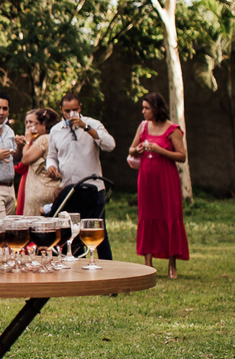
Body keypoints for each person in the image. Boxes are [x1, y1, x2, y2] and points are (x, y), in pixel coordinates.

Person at [46, 92, 116, 259]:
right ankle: (74, 264)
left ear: (80, 108)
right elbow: (51, 155)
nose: (71, 115)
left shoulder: (92, 124)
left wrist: (86, 127)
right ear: (61, 110)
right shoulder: (56, 130)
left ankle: (107, 265)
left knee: (96, 230)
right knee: (70, 232)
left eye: (75, 110)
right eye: (67, 111)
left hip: (93, 188)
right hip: (69, 189)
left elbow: (110, 145)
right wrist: (51, 166)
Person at [129, 92, 188, 278]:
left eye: (147, 108)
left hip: (166, 178)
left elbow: (182, 156)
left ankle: (172, 264)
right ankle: (148, 262)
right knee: (147, 215)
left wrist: (160, 150)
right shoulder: (143, 126)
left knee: (169, 214)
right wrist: (137, 150)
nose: (143, 111)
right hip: (146, 177)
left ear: (157, 109)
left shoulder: (173, 129)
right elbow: (131, 149)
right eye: (143, 107)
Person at [17, 108, 60, 216]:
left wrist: (27, 140)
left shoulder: (44, 139)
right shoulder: (58, 137)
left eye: (36, 124)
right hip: (53, 189)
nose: (34, 127)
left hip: (39, 191)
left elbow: (25, 159)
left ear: (44, 124)